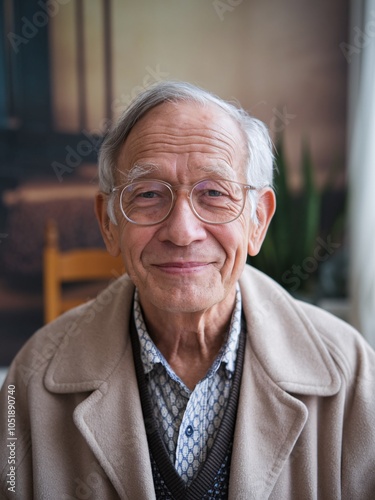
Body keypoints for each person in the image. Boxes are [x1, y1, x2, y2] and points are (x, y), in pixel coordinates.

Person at [1, 81, 375, 500]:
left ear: (258, 222)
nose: (182, 231)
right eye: (147, 194)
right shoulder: (30, 380)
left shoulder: (352, 376)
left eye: (214, 193)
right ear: (109, 224)